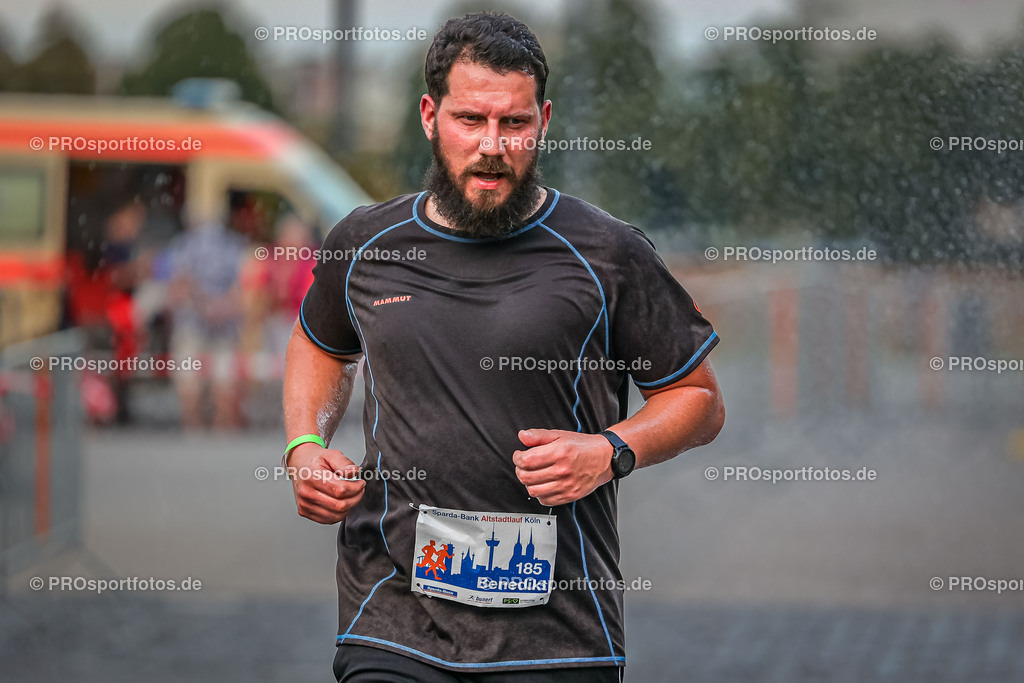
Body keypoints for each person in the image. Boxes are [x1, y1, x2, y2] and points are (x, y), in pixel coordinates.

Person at [282, 12, 725, 682]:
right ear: (430, 115)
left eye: (513, 123)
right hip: (392, 616)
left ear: (542, 119)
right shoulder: (365, 242)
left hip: (560, 632)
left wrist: (611, 450)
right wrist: (303, 444)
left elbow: (697, 399)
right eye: (471, 119)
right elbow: (320, 345)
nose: (492, 145)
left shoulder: (607, 251)